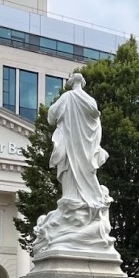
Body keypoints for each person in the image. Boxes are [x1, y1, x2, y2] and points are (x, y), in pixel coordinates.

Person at [48, 72, 109, 210]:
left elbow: (51, 116)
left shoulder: (66, 97)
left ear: (71, 82)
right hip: (86, 149)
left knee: (69, 173)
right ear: (82, 82)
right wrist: (93, 145)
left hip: (70, 146)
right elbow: (97, 126)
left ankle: (72, 202)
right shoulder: (90, 101)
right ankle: (84, 204)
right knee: (85, 172)